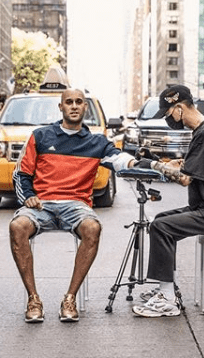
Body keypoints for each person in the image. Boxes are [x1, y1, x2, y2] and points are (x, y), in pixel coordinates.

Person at [9, 88, 150, 323]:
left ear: (86, 108)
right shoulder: (40, 136)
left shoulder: (96, 142)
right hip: (41, 204)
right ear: (61, 107)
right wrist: (28, 196)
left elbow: (120, 160)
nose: (74, 106)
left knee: (92, 228)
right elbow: (21, 173)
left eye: (79, 102)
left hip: (76, 205)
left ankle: (70, 298)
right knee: (17, 226)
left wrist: (142, 163)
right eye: (69, 102)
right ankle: (33, 298)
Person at [132, 84, 204, 318]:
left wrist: (155, 166)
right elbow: (193, 167)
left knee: (161, 227)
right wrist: (173, 163)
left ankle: (168, 301)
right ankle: (166, 288)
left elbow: (185, 179)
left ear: (180, 108)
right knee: (162, 219)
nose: (168, 119)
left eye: (168, 113)